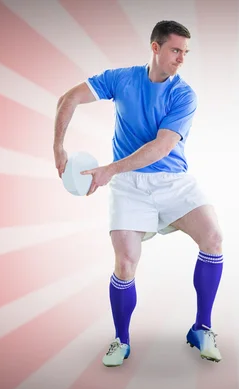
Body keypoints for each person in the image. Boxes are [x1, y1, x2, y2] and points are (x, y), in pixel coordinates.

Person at [53, 20, 224, 366]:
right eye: (176, 50)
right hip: (129, 186)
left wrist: (108, 170)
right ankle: (122, 340)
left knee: (213, 237)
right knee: (126, 261)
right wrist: (58, 147)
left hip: (173, 180)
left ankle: (202, 328)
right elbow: (68, 98)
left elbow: (161, 148)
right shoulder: (121, 79)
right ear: (155, 48)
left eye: (186, 53)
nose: (181, 59)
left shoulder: (184, 94)